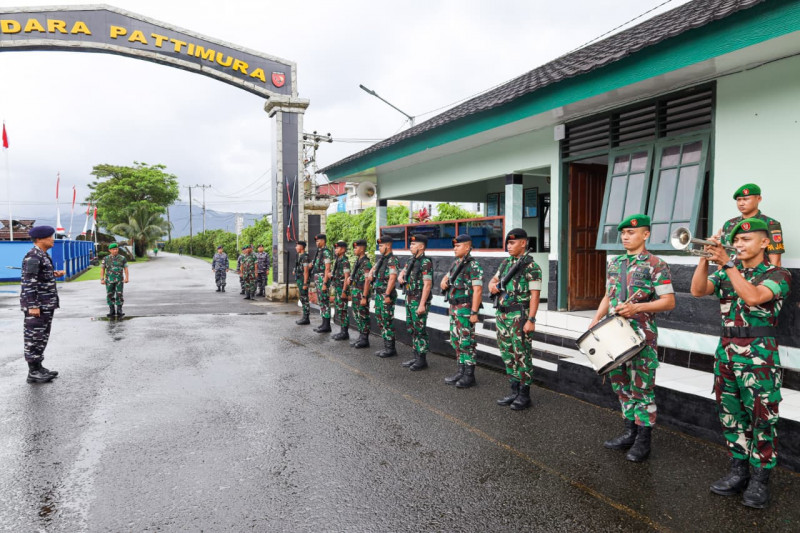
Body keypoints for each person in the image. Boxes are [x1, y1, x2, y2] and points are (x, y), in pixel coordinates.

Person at [691, 218, 791, 509]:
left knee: (762, 417)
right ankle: (738, 471)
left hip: (759, 358)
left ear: (764, 243)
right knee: (731, 416)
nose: (738, 245)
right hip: (726, 354)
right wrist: (705, 258)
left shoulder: (778, 273)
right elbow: (697, 291)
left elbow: (752, 296)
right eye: (736, 241)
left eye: (746, 240)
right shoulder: (725, 271)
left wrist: (728, 265)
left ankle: (760, 479)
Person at [589, 214, 675, 462]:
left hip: (641, 337)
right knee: (621, 386)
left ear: (646, 234)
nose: (626, 237)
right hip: (613, 334)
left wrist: (637, 308)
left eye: (632, 233)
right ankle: (629, 432)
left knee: (642, 389)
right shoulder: (615, 263)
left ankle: (643, 441)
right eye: (623, 233)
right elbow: (609, 294)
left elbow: (669, 302)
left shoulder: (656, 264)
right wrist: (596, 318)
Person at [488, 228, 542, 411]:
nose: (508, 246)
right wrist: (493, 286)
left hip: (519, 316)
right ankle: (514, 389)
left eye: (512, 243)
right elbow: (493, 280)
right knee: (507, 353)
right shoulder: (505, 264)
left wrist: (531, 320)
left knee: (522, 355)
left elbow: (535, 295)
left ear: (523, 243)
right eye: (508, 243)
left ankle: (524, 394)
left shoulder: (531, 267)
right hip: (502, 315)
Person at [20, 226, 65, 383]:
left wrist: (53, 273)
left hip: (46, 304)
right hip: (37, 305)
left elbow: (39, 276)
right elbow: (28, 283)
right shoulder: (33, 256)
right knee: (34, 336)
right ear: (39, 239)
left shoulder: (42, 255)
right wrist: (32, 305)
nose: (52, 239)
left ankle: (38, 367)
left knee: (42, 336)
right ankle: (33, 372)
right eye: (50, 237)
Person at [441, 234, 484, 388]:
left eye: (458, 246)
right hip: (454, 308)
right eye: (454, 245)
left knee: (467, 342)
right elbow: (447, 278)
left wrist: (474, 313)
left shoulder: (473, 266)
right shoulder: (456, 264)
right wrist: (443, 281)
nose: (454, 248)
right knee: (456, 340)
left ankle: (469, 375)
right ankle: (461, 371)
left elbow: (478, 290)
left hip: (466, 309)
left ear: (467, 247)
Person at [718, 183, 784, 266]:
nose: (741, 203)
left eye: (746, 199)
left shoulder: (770, 224)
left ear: (759, 199)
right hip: (729, 275)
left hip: (758, 275)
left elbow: (775, 261)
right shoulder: (729, 224)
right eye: (739, 200)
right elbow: (723, 256)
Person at [397, 234, 433, 371]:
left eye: (413, 244)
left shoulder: (426, 262)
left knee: (420, 329)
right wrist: (401, 276)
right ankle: (416, 355)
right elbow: (403, 271)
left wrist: (422, 304)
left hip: (418, 300)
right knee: (411, 328)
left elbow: (427, 284)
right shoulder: (411, 260)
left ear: (421, 247)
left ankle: (422, 359)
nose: (410, 246)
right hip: (409, 298)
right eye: (410, 244)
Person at [364, 234, 399, 357]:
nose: (379, 247)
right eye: (379, 245)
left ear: (388, 246)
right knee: (381, 320)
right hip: (379, 295)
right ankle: (386, 346)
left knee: (387, 320)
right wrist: (372, 272)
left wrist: (388, 294)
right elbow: (374, 269)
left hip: (386, 295)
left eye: (381, 245)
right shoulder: (382, 259)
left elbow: (393, 278)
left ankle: (391, 349)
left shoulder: (392, 260)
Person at [349, 239, 373, 349]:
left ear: (362, 249)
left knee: (363, 315)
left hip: (362, 292)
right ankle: (361, 336)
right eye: (354, 248)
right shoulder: (358, 261)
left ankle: (364, 339)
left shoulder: (366, 262)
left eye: (356, 247)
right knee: (357, 315)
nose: (355, 250)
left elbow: (367, 280)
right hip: (356, 291)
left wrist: (364, 296)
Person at [311, 234, 334, 333]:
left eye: (318, 241)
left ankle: (327, 325)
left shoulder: (326, 252)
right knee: (321, 301)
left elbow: (327, 268)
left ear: (323, 241)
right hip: (318, 278)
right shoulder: (319, 252)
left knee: (324, 301)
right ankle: (324, 323)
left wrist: (325, 283)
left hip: (322, 278)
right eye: (316, 241)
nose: (317, 243)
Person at [330, 240, 352, 341]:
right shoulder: (338, 260)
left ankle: (344, 332)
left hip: (342, 289)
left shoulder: (345, 262)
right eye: (335, 248)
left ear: (343, 249)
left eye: (338, 248)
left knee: (343, 311)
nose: (335, 250)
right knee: (339, 310)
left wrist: (344, 291)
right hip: (338, 289)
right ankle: (342, 331)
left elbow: (347, 277)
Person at [101, 243, 130, 318]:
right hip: (109, 280)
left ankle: (119, 310)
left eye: (116, 249)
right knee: (110, 294)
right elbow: (102, 269)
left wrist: (127, 278)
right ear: (110, 250)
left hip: (119, 280)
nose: (115, 250)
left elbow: (126, 268)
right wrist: (102, 279)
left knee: (119, 294)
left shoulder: (122, 258)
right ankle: (112, 310)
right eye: (113, 249)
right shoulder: (106, 258)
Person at [294, 241, 312, 325]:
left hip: (303, 280)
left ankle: (306, 317)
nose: (295, 247)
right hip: (300, 280)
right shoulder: (300, 256)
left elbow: (306, 271)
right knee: (302, 298)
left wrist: (305, 283)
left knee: (304, 299)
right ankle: (304, 316)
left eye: (297, 246)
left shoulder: (304, 257)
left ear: (301, 247)